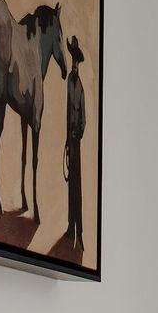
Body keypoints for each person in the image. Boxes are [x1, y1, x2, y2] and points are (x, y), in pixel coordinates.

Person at [62, 35, 86, 252]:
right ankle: (71, 227)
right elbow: (67, 111)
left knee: (77, 185)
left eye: (77, 62)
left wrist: (77, 134)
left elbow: (83, 117)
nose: (74, 65)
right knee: (71, 186)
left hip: (77, 137)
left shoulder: (80, 88)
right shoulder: (69, 83)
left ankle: (79, 230)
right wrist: (67, 140)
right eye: (73, 61)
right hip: (70, 138)